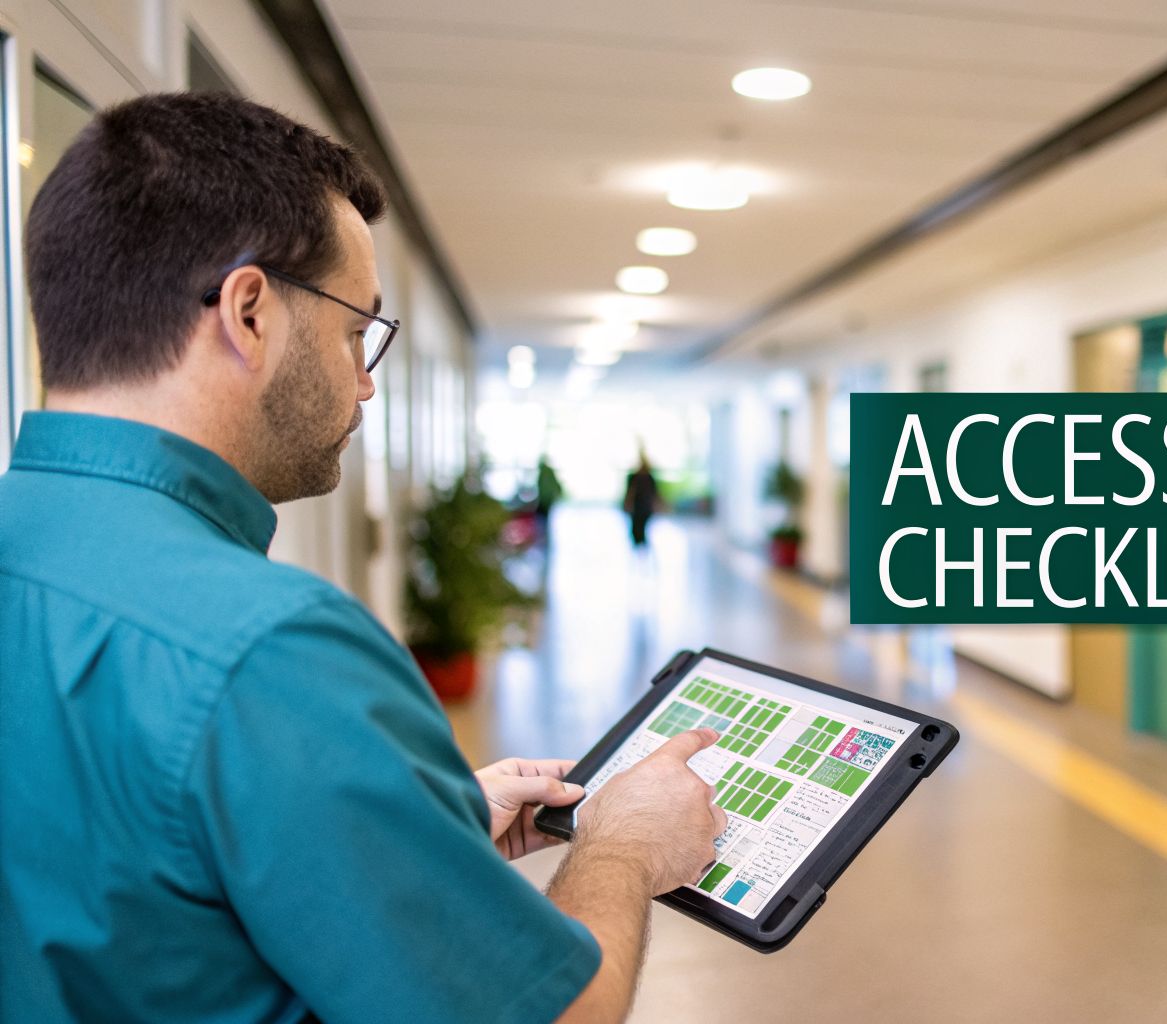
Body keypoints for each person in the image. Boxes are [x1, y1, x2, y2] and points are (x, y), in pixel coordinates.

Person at [0, 93, 724, 1023]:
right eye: (356, 330)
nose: (367, 380)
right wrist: (620, 847)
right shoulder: (269, 647)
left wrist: (415, 825)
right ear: (249, 313)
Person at [623, 450, 663, 549]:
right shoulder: (633, 477)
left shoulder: (649, 478)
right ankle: (638, 546)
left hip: (645, 508)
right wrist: (628, 504)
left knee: (642, 528)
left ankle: (642, 546)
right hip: (637, 508)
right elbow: (630, 492)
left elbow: (655, 493)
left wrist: (660, 505)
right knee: (635, 528)